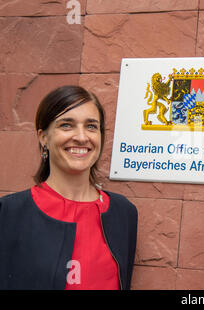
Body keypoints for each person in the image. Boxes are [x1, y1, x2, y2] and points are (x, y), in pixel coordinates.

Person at [0, 85, 138, 290]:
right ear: (43, 137)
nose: (82, 137)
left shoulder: (124, 213)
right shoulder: (9, 213)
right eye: (66, 125)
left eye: (91, 126)